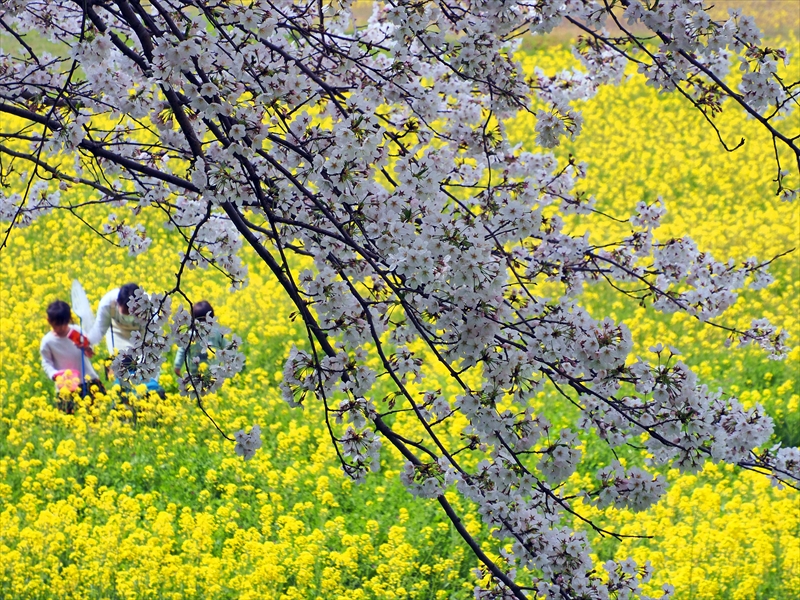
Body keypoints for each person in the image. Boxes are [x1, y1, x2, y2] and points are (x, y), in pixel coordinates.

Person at [87, 282, 165, 398]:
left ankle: (148, 399)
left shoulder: (150, 307)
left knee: (147, 372)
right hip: (119, 334)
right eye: (125, 313)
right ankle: (124, 402)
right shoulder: (107, 303)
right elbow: (99, 329)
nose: (129, 317)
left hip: (144, 335)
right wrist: (88, 343)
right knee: (123, 372)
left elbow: (153, 338)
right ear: (118, 303)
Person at [40, 300, 105, 412]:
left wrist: (87, 348)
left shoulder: (77, 330)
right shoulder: (47, 341)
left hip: (88, 380)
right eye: (57, 325)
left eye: (65, 324)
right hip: (65, 385)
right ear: (49, 321)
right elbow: (46, 362)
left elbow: (89, 349)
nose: (61, 328)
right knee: (68, 420)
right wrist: (54, 374)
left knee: (96, 415)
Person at [174, 300, 228, 377]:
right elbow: (182, 350)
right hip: (194, 373)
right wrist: (177, 365)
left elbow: (226, 346)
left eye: (205, 320)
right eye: (199, 321)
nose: (202, 324)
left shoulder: (216, 333)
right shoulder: (190, 335)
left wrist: (231, 360)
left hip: (213, 372)